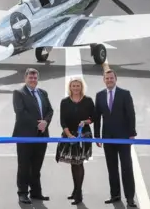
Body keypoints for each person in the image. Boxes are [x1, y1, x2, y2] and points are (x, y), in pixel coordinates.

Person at [93, 68, 137, 207]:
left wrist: (132, 133)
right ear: (104, 80)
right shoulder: (99, 95)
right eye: (107, 78)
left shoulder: (125, 94)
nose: (109, 80)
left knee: (126, 168)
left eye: (111, 78)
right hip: (108, 138)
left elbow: (131, 114)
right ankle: (115, 195)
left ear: (115, 79)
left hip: (123, 137)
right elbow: (97, 117)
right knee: (111, 168)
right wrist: (97, 136)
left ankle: (130, 198)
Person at [12, 68, 54, 204]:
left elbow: (50, 110)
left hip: (41, 136)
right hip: (25, 136)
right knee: (24, 166)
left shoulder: (42, 93)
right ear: (25, 78)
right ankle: (22, 193)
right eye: (30, 78)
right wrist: (38, 124)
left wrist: (46, 122)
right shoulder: (19, 93)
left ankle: (36, 192)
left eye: (35, 78)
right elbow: (20, 112)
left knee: (36, 166)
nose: (33, 80)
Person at [55, 77, 94, 205]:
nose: (76, 88)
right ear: (70, 87)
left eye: (78, 86)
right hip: (69, 135)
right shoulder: (64, 102)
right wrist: (69, 134)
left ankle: (78, 194)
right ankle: (76, 189)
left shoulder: (88, 101)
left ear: (81, 87)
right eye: (73, 86)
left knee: (79, 163)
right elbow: (63, 121)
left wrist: (85, 121)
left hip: (83, 136)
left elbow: (93, 117)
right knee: (73, 163)